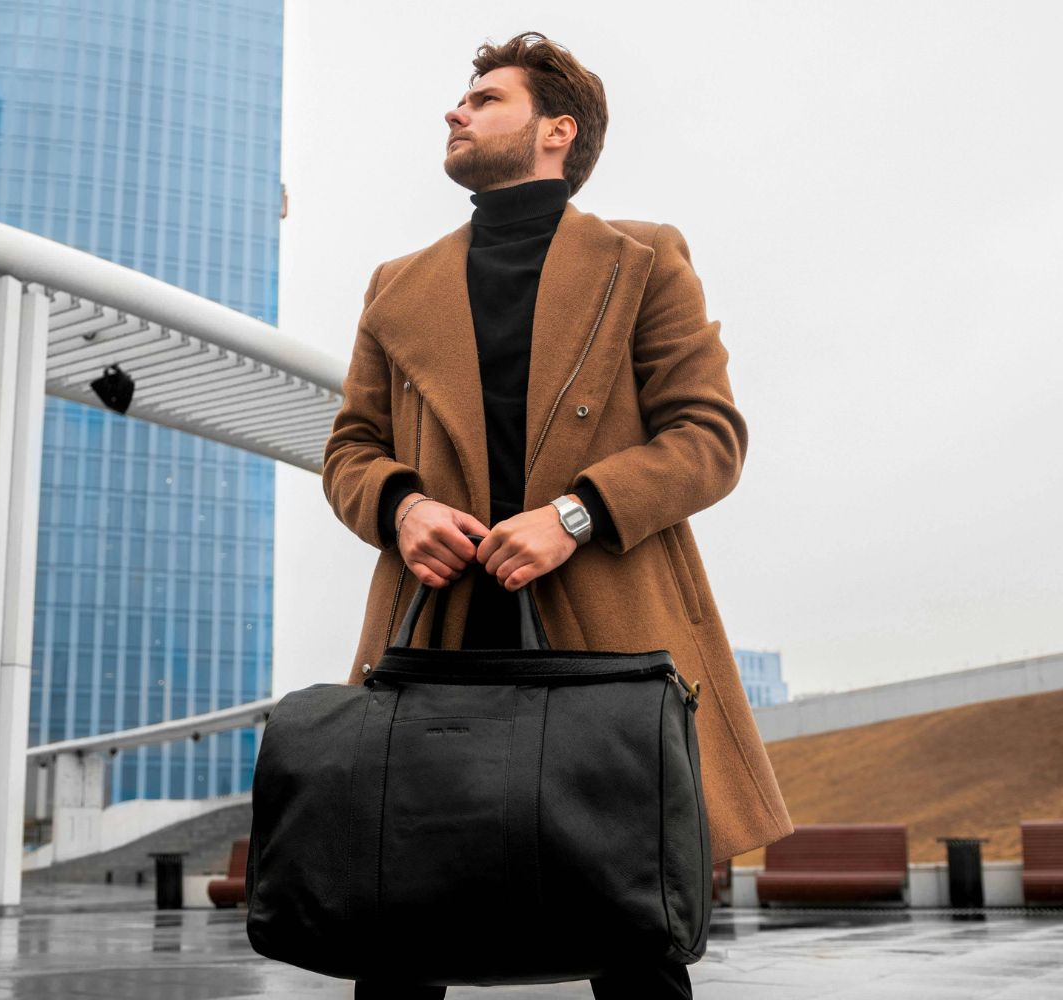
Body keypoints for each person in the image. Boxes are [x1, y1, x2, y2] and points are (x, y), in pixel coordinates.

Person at [322, 30, 794, 1000]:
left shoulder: (645, 260)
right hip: (439, 629)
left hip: (605, 638)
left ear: (556, 130)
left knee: (632, 935)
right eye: (463, 97)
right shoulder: (395, 285)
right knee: (400, 929)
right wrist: (402, 506)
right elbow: (350, 449)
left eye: (485, 98)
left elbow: (710, 437)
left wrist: (573, 515)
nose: (456, 111)